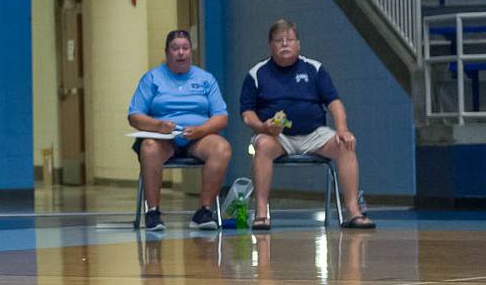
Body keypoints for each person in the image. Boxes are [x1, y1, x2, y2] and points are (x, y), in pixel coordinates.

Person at [240, 18, 375, 231]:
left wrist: (342, 128)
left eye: (289, 39)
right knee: (263, 145)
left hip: (314, 134)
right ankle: (262, 212)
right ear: (270, 45)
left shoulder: (314, 68)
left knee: (345, 144)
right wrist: (263, 127)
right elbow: (247, 113)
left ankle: (353, 211)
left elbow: (334, 102)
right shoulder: (256, 73)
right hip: (276, 136)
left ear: (298, 44)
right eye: (279, 40)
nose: (284, 44)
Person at [127, 28, 231, 232]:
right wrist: (158, 126)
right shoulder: (152, 78)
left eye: (185, 48)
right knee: (148, 147)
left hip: (198, 138)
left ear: (191, 51)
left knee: (222, 148)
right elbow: (134, 116)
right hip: (163, 138)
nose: (181, 53)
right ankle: (153, 212)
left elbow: (221, 116)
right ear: (167, 53)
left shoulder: (205, 79)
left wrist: (201, 130)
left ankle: (204, 211)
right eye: (175, 49)